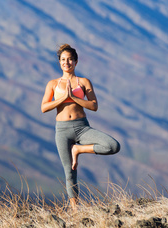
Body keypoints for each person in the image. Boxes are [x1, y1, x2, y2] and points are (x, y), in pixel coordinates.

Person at [41, 44, 120, 209]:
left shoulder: (84, 82)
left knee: (113, 146)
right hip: (62, 130)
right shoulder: (53, 84)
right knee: (69, 171)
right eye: (63, 60)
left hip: (82, 128)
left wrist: (74, 98)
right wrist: (63, 98)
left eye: (70, 59)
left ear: (76, 62)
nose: (66, 62)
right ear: (59, 62)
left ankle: (78, 149)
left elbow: (94, 106)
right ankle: (75, 209)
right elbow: (44, 108)